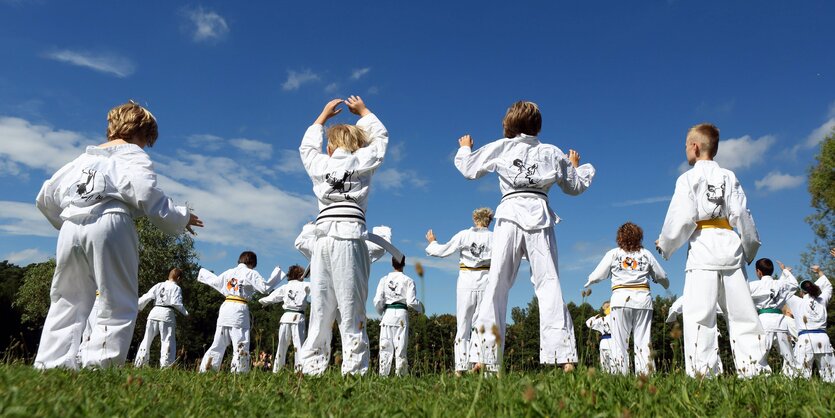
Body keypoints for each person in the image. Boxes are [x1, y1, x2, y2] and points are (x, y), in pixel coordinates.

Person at [33, 101, 203, 370]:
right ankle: (99, 366)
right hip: (111, 221)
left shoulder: (81, 160)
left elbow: (45, 198)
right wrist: (181, 217)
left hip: (70, 225)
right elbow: (147, 195)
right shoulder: (133, 155)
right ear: (141, 132)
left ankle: (52, 365)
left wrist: (66, 221)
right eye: (147, 140)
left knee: (67, 297)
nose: (146, 146)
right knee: (116, 298)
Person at [454, 101, 595, 373]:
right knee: (548, 284)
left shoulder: (502, 147)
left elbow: (469, 169)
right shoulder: (551, 152)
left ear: (509, 124)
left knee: (496, 284)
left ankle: (484, 357)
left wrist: (464, 147)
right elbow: (574, 187)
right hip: (539, 216)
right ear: (537, 125)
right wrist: (579, 167)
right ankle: (563, 357)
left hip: (508, 218)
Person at [656, 123, 768, 378]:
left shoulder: (687, 178)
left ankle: (702, 373)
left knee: (700, 315)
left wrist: (666, 244)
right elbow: (741, 214)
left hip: (702, 247)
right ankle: (754, 370)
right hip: (730, 245)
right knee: (743, 313)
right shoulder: (729, 176)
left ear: (694, 147)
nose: (685, 149)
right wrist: (749, 247)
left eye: (686, 145)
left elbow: (683, 218)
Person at [297, 96, 388, 376]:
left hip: (322, 238)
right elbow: (381, 140)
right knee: (351, 305)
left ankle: (312, 367)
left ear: (330, 146)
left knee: (321, 307)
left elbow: (306, 147)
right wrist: (364, 112)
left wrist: (322, 116)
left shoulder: (320, 165)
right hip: (349, 235)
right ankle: (355, 369)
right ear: (357, 144)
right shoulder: (362, 160)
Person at [585, 222, 669, 375]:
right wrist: (665, 284)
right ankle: (646, 378)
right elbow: (661, 275)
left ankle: (619, 377)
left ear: (619, 238)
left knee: (619, 343)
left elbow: (598, 274)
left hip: (621, 300)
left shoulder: (614, 254)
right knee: (643, 342)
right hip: (643, 299)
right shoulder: (646, 254)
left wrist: (590, 280)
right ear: (639, 237)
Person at [424, 207, 494, 374]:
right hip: (486, 281)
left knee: (463, 324)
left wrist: (433, 242)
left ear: (474, 219)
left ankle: (460, 368)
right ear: (489, 221)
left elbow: (443, 251)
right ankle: (479, 361)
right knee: (482, 323)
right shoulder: (495, 237)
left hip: (466, 281)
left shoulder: (464, 235)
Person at [198, 251, 283, 373]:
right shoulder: (250, 273)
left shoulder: (229, 272)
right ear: (253, 263)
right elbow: (264, 288)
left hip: (226, 308)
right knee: (240, 344)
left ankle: (206, 370)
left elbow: (215, 282)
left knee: (218, 344)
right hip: (239, 309)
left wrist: (203, 274)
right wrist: (277, 273)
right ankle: (239, 372)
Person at [373, 257, 424, 376]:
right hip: (402, 314)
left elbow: (378, 300)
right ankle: (401, 376)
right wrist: (421, 308)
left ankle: (383, 376)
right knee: (400, 349)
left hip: (388, 315)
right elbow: (411, 302)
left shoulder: (384, 280)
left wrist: (381, 310)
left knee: (385, 347)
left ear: (392, 263)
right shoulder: (408, 280)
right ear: (404, 264)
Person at [783, 265, 834, 382]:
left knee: (802, 376)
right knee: (831, 375)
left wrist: (786, 272)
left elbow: (786, 291)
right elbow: (828, 287)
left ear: (801, 293)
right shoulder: (822, 300)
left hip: (805, 340)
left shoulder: (797, 302)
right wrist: (819, 272)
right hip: (823, 338)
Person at [747, 259, 798, 376]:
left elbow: (740, 296)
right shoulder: (781, 284)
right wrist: (785, 271)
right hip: (781, 321)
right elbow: (794, 284)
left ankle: (763, 376)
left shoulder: (753, 286)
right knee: (788, 355)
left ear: (758, 271)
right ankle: (791, 376)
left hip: (764, 321)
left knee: (760, 353)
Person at [259, 265, 310, 372]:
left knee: (282, 344)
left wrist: (263, 301)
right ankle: (299, 370)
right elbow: (320, 288)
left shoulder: (285, 287)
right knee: (299, 345)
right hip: (298, 317)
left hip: (286, 317)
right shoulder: (306, 285)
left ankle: (277, 370)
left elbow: (273, 297)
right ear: (301, 275)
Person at [134, 268, 189, 368]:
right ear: (179, 278)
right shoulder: (176, 288)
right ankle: (165, 366)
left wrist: (137, 308)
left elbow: (147, 296)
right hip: (167, 315)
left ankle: (140, 364)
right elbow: (176, 303)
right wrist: (186, 314)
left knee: (146, 339)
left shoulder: (159, 285)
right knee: (167, 341)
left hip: (154, 313)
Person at [585, 302, 616, 374]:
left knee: (604, 366)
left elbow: (588, 323)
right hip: (614, 342)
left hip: (604, 343)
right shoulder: (616, 318)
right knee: (614, 365)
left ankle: (605, 379)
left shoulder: (601, 319)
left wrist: (594, 317)